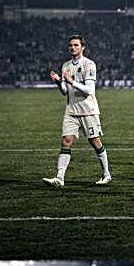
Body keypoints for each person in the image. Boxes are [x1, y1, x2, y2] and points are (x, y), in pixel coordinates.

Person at [43, 34, 111, 187]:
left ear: (83, 47)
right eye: (70, 46)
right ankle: (60, 178)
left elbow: (89, 90)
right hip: (71, 110)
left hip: (88, 110)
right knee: (66, 141)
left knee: (95, 142)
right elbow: (65, 92)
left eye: (76, 45)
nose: (72, 48)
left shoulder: (89, 65)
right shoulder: (66, 66)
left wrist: (71, 81)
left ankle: (106, 174)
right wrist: (58, 83)